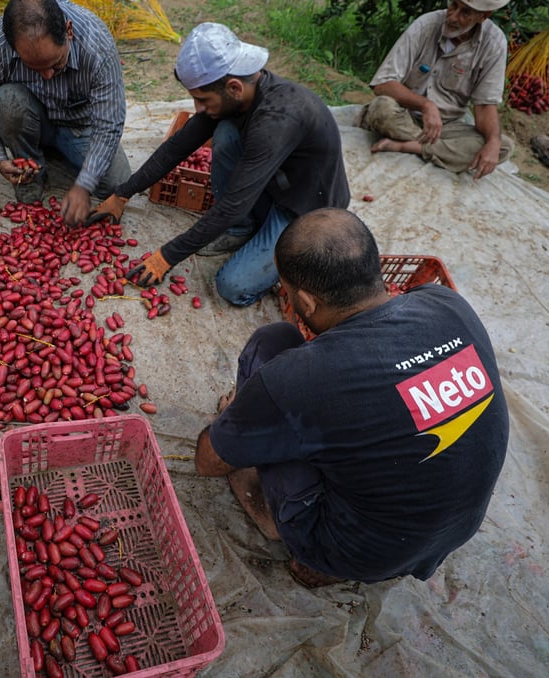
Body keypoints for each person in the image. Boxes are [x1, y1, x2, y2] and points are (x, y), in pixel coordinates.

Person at [194, 207, 509, 587]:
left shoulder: (301, 378)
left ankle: (293, 533)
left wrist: (234, 421)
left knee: (271, 343)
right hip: (452, 533)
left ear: (306, 303)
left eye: (289, 291)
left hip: (353, 549)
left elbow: (207, 462)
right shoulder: (448, 304)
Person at [90, 23, 350, 307]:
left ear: (234, 87)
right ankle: (241, 229)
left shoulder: (277, 120)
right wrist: (122, 193)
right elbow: (177, 146)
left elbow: (232, 204)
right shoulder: (237, 99)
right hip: (272, 183)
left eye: (202, 100)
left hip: (304, 209)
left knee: (233, 287)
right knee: (225, 131)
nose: (198, 108)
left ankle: (284, 261)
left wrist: (166, 256)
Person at [0, 0, 131, 226]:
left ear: (69, 31)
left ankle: (58, 154)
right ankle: (32, 168)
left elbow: (109, 123)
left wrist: (84, 185)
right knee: (8, 100)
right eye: (34, 68)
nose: (47, 76)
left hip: (78, 125)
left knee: (116, 184)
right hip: (29, 117)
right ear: (13, 47)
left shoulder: (96, 45)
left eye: (56, 63)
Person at [357, 0, 515, 180]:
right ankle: (443, 151)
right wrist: (426, 105)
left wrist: (493, 142)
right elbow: (382, 84)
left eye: (465, 13)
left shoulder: (493, 43)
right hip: (404, 115)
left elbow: (485, 106)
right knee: (381, 108)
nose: (453, 17)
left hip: (446, 127)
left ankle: (409, 146)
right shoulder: (426, 25)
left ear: (483, 16)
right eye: (453, 5)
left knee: (502, 146)